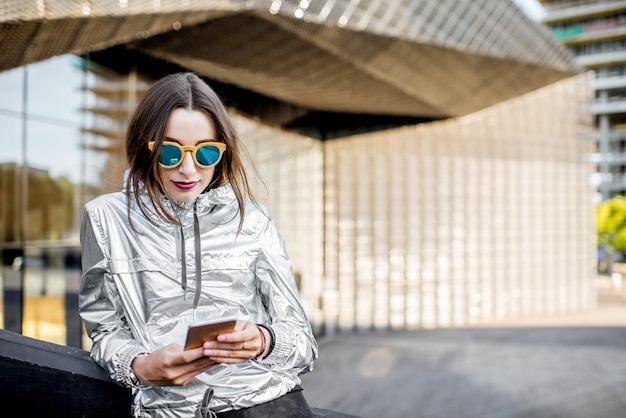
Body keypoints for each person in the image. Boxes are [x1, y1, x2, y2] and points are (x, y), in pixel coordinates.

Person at [78, 72, 318, 418]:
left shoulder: (253, 219)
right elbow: (105, 330)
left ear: (222, 153)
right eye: (171, 151)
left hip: (269, 406)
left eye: (205, 153)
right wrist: (141, 366)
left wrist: (263, 340)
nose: (189, 169)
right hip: (167, 410)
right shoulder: (105, 218)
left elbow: (302, 343)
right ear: (147, 147)